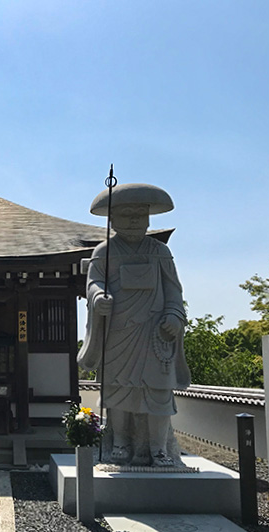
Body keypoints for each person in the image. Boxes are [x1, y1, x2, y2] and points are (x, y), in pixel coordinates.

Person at [77, 183, 190, 467]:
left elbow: (174, 291)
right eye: (126, 215)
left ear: (149, 218)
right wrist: (97, 297)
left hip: (155, 333)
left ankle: (158, 448)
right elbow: (93, 283)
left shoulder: (159, 252)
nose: (133, 221)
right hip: (118, 332)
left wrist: (175, 315)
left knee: (158, 393)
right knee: (119, 390)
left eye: (139, 216)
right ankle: (120, 443)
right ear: (112, 219)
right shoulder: (104, 251)